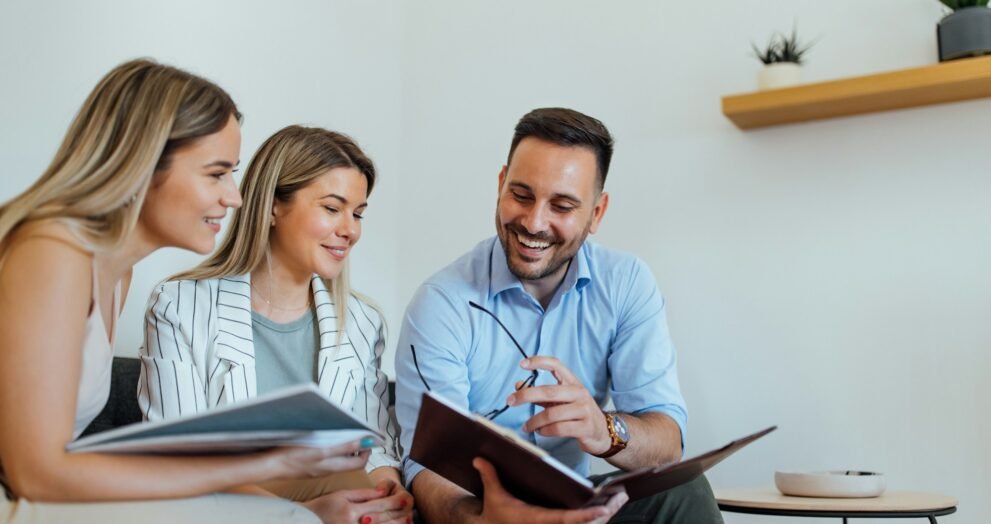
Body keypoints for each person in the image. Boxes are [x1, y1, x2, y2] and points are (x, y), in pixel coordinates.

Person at [0, 59, 371, 523]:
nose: (235, 197)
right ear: (144, 164)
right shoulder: (51, 251)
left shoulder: (117, 274)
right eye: (216, 174)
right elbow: (34, 473)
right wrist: (267, 464)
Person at [394, 107, 724, 523]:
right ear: (500, 185)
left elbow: (667, 442)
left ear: (596, 214)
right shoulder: (441, 303)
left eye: (562, 206)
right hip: (478, 507)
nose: (534, 222)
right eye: (522, 195)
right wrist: (479, 519)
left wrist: (604, 431)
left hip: (577, 508)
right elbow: (429, 467)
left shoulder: (626, 284)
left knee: (684, 488)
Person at [138, 125, 413, 524]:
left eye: (357, 213)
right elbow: (179, 462)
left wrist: (389, 492)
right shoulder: (179, 306)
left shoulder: (362, 322)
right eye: (332, 208)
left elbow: (375, 445)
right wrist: (305, 515)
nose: (350, 230)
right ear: (272, 206)